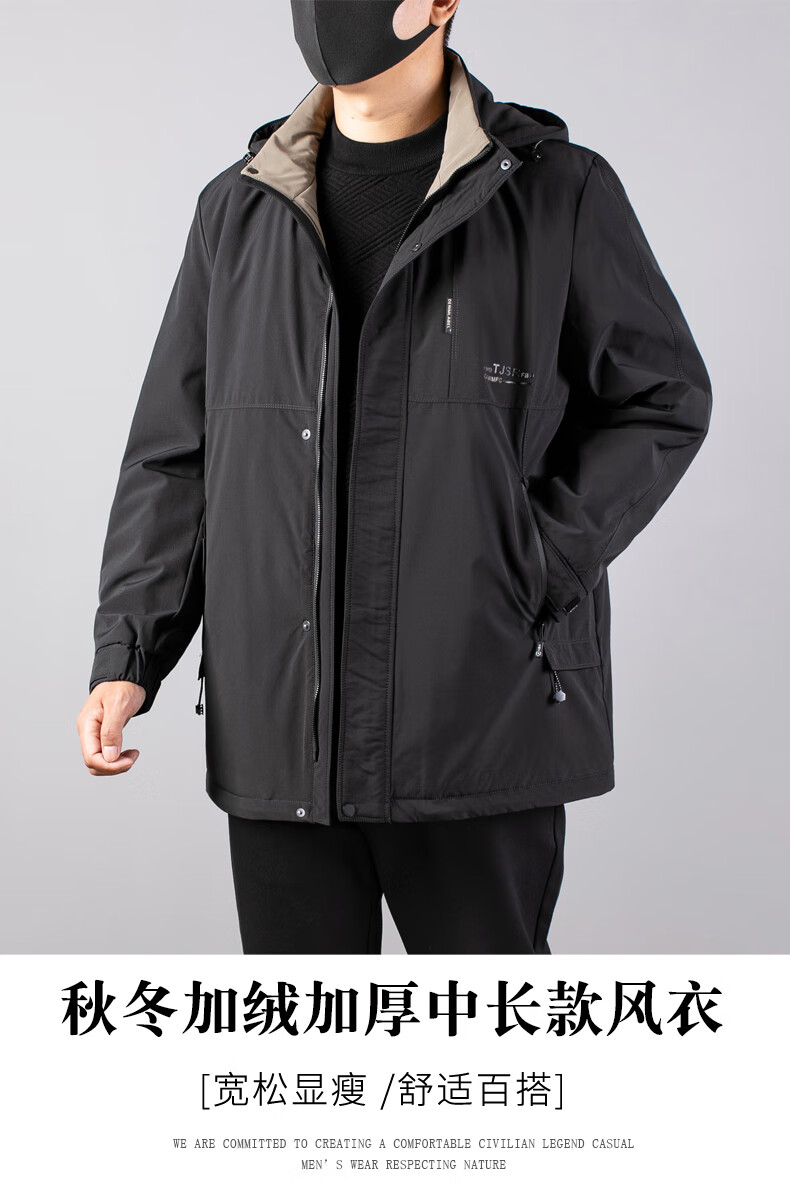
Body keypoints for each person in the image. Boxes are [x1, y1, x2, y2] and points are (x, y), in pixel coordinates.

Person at [77, 0, 713, 954]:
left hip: (478, 719)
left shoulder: (555, 191)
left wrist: (530, 562)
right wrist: (128, 655)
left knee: (485, 1040)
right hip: (282, 736)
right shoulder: (239, 209)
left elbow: (662, 397)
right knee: (301, 1043)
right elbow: (175, 456)